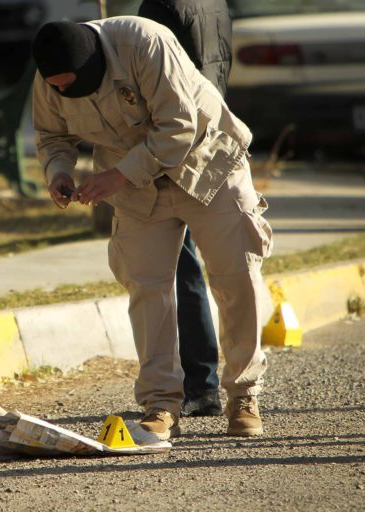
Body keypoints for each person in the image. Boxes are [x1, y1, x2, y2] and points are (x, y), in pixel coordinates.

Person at [31, 17, 272, 439]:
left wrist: (117, 176)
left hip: (206, 163)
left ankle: (243, 393)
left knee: (236, 275)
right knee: (146, 288)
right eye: (57, 87)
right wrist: (59, 171)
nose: (63, 92)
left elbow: (179, 126)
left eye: (72, 85)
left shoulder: (146, 43)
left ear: (95, 64)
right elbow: (51, 136)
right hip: (134, 185)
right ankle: (160, 403)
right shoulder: (49, 76)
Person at [137, 0, 233, 418]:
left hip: (175, 145)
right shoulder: (214, 2)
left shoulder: (160, 6)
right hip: (211, 133)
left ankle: (200, 385)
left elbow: (153, 77)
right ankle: (203, 382)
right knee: (197, 265)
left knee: (182, 267)